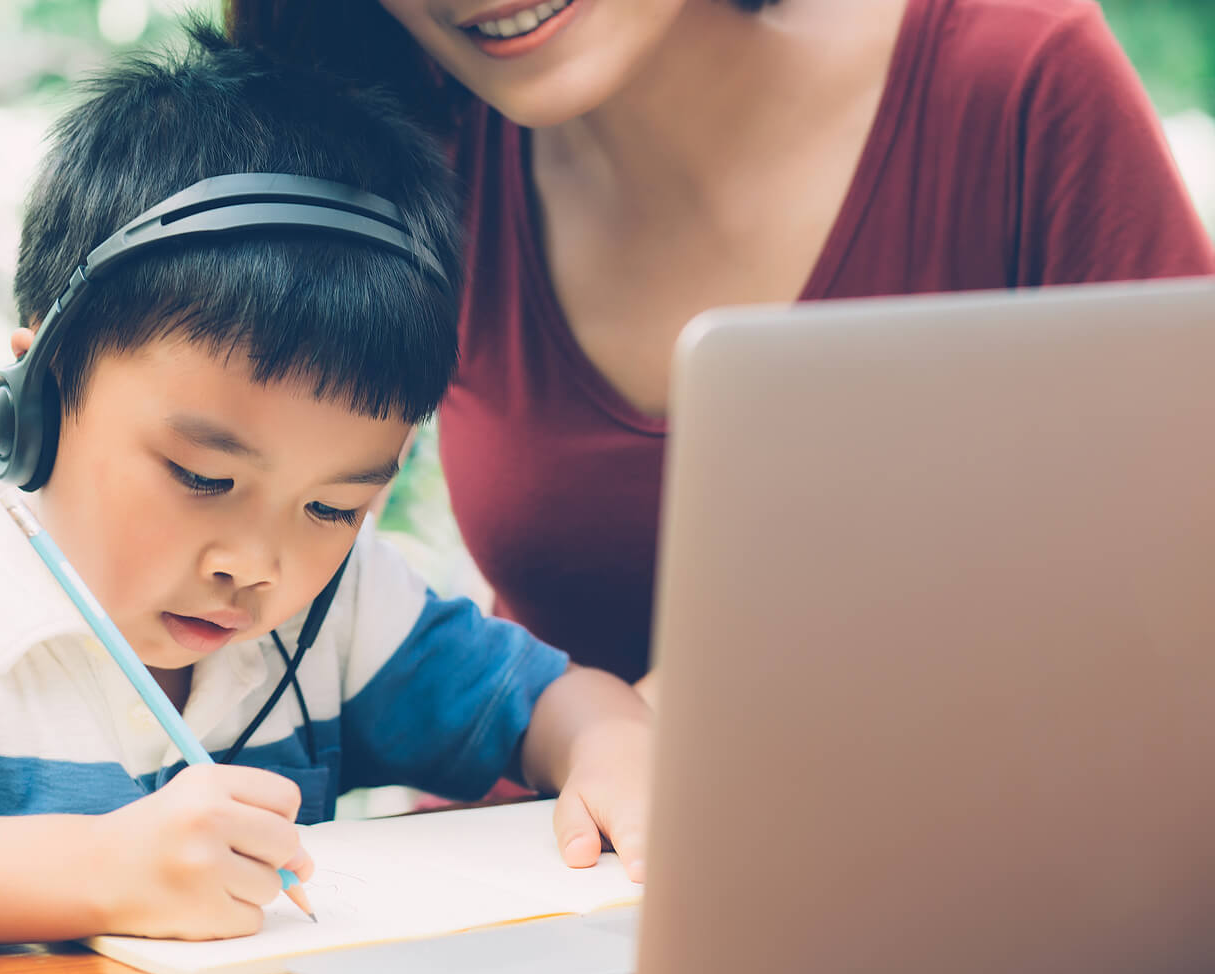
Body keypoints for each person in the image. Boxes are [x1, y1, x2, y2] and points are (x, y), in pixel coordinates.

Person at [0, 27, 650, 951]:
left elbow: (555, 703)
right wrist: (101, 867)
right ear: (37, 396)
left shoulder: (338, 615)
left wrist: (608, 746)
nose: (255, 565)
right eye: (202, 477)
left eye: (332, 507)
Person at [227, 0, 1215, 698]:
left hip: (977, 891)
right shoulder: (413, 157)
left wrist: (718, 703)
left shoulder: (1018, 75)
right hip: (540, 883)